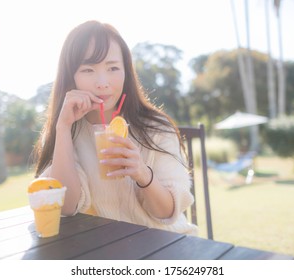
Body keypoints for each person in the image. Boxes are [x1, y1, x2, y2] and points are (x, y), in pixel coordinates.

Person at [33, 20, 197, 235]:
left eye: (112, 68)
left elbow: (168, 213)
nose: (103, 82)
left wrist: (141, 173)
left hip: (168, 247)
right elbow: (66, 206)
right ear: (71, 76)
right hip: (108, 251)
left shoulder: (157, 128)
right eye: (88, 69)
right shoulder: (71, 131)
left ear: (126, 71)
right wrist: (62, 128)